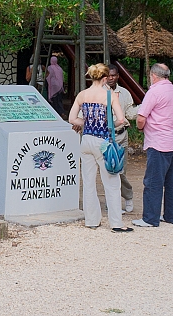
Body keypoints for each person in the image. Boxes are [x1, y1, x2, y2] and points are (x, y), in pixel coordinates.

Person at [68, 63, 132, 232]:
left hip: (86, 139)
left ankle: (91, 220)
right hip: (102, 140)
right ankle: (116, 223)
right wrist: (107, 125)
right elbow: (120, 119)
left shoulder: (82, 95)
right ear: (104, 78)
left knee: (88, 182)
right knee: (111, 182)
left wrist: (87, 123)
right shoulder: (110, 95)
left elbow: (72, 119)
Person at [132, 63, 173, 228]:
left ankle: (150, 218)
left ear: (153, 75)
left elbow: (141, 117)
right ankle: (170, 215)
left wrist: (140, 128)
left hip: (158, 141)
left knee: (153, 181)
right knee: (171, 181)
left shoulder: (154, 91)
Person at [107, 63, 137, 213]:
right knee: (106, 171)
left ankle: (128, 196)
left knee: (120, 171)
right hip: (103, 138)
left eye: (113, 75)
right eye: (108, 75)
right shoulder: (98, 92)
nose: (111, 78)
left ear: (118, 76)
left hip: (120, 136)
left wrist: (146, 109)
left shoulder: (124, 93)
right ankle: (112, 201)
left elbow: (130, 113)